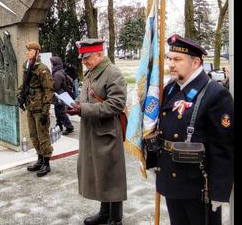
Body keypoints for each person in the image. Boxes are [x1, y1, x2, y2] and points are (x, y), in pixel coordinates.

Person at [148, 34, 234, 225]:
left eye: (177, 59)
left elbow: (224, 149)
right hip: (172, 179)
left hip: (198, 188)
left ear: (196, 63)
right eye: (169, 58)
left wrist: (219, 192)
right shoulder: (171, 88)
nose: (171, 64)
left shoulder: (215, 94)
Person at [66, 39, 127, 225]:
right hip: (92, 132)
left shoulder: (113, 73)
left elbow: (116, 104)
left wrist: (83, 110)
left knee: (111, 176)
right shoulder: (91, 73)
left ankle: (115, 218)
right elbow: (85, 97)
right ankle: (104, 213)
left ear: (99, 54)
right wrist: (76, 104)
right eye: (82, 58)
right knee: (100, 174)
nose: (84, 61)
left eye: (87, 57)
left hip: (107, 133)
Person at [17, 42, 54, 177]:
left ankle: (46, 162)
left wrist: (45, 111)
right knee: (33, 135)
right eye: (27, 50)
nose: (27, 52)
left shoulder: (42, 69)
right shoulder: (26, 66)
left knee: (43, 135)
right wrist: (19, 96)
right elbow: (23, 85)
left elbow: (49, 91)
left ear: (37, 52)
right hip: (30, 106)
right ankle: (39, 159)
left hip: (39, 108)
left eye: (30, 50)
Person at [50, 56, 74, 135]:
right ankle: (59, 125)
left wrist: (50, 85)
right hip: (61, 95)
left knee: (60, 112)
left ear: (55, 64)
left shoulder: (57, 74)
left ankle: (69, 127)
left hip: (59, 96)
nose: (51, 65)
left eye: (52, 63)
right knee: (58, 111)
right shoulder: (60, 71)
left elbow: (56, 86)